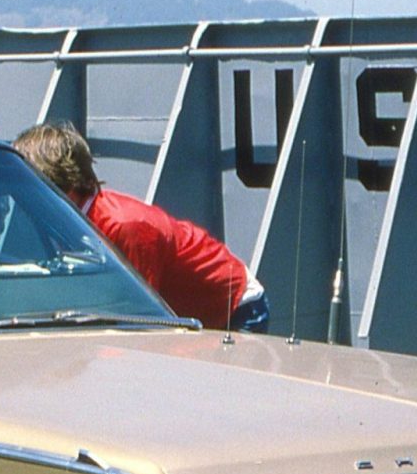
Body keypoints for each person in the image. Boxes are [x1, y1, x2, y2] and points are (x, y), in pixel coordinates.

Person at [13, 123, 269, 332]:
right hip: (186, 312)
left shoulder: (125, 227)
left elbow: (139, 318)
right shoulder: (63, 221)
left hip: (233, 308)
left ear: (61, 186)